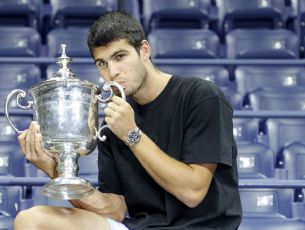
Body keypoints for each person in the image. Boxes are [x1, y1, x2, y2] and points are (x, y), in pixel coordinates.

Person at [14, 11, 242, 230]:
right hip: (139, 227)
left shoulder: (200, 96)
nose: (112, 71)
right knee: (31, 220)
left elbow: (193, 192)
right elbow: (114, 211)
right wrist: (56, 172)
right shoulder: (114, 119)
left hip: (202, 227)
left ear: (144, 50)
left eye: (120, 56)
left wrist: (132, 135)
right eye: (101, 63)